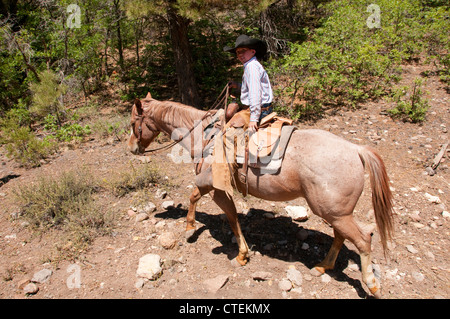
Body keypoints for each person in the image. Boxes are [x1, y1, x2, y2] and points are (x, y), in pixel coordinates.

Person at [224, 35, 273, 132]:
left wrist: (254, 119)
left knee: (228, 133)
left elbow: (255, 92)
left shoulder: (252, 67)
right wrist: (238, 86)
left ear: (253, 51)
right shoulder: (251, 65)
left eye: (243, 50)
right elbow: (252, 87)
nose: (240, 54)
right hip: (261, 109)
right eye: (238, 52)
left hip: (258, 111)